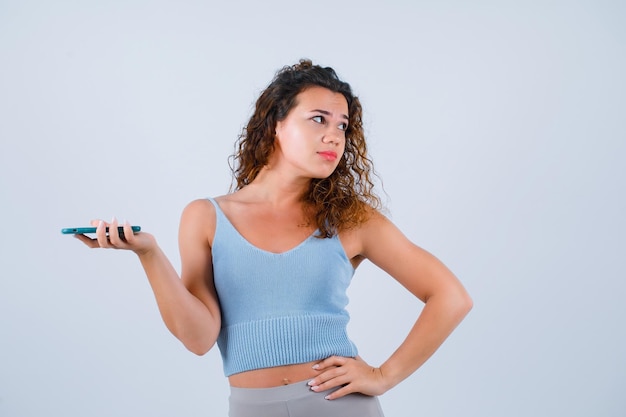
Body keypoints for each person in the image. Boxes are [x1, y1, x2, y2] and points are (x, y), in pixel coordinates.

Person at [75, 59, 473, 417]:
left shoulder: (351, 220)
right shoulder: (207, 217)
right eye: (318, 118)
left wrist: (383, 375)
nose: (334, 135)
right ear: (276, 124)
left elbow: (451, 297)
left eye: (342, 125)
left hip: (340, 407)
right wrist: (149, 254)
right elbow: (198, 339)